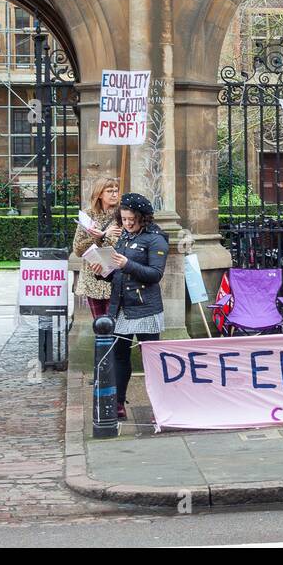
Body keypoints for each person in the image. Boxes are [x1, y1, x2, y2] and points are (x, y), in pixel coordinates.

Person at [101, 193, 168, 420]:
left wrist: (128, 264)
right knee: (119, 356)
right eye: (124, 219)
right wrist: (103, 272)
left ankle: (162, 405)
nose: (128, 223)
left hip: (145, 307)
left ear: (143, 217)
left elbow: (155, 275)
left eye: (132, 219)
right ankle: (118, 405)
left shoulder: (155, 239)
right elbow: (118, 273)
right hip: (120, 307)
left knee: (151, 358)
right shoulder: (124, 237)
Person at [73, 177, 124, 320]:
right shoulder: (88, 215)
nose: (114, 194)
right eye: (109, 191)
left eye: (116, 191)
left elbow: (122, 246)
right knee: (99, 326)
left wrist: (104, 237)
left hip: (113, 278)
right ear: (100, 194)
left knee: (113, 326)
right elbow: (77, 249)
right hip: (92, 277)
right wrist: (100, 236)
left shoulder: (122, 216)